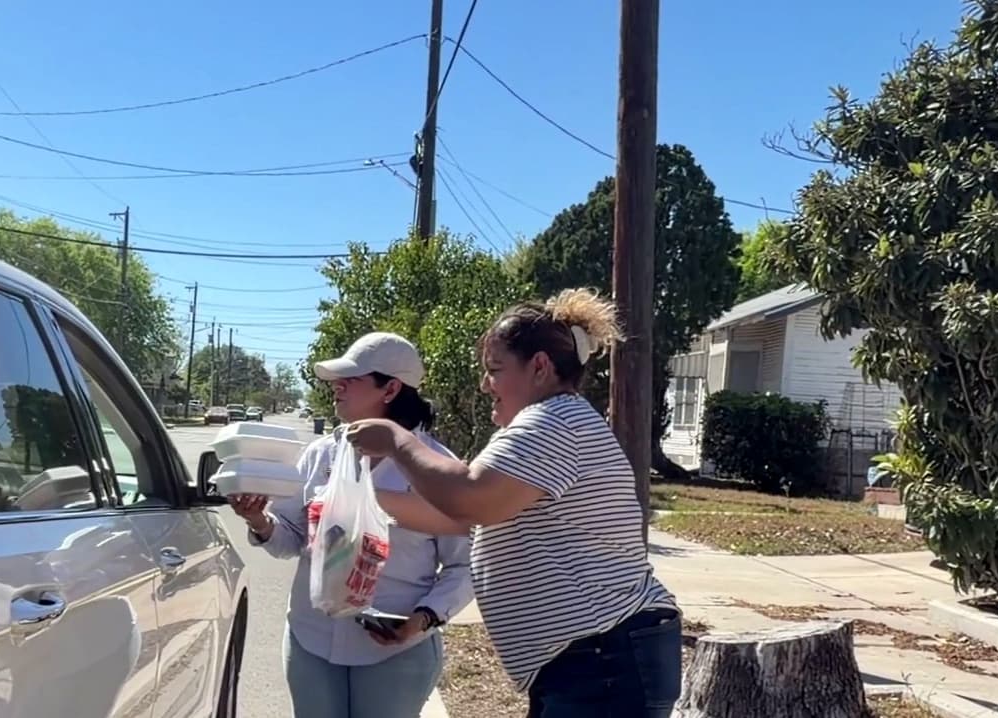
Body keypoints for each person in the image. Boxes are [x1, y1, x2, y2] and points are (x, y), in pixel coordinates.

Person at [346, 289, 683, 718]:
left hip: (603, 658)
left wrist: (397, 439)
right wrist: (358, 498)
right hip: (594, 657)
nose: (486, 384)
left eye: (495, 369)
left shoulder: (552, 422)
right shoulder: (557, 422)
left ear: (539, 367)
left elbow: (469, 500)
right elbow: (455, 516)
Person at [228, 332, 473, 718]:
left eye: (351, 379)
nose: (336, 387)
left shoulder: (437, 468)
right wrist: (258, 520)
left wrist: (423, 619)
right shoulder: (321, 455)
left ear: (391, 388)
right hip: (312, 641)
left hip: (395, 652)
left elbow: (465, 566)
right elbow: (290, 538)